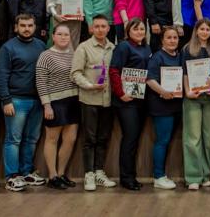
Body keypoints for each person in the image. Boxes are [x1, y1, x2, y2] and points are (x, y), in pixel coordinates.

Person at [0, 13, 47, 192]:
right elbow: (1, 77)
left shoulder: (41, 46)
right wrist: (6, 100)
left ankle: (27, 172)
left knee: (31, 139)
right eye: (23, 25)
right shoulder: (7, 48)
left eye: (30, 25)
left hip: (37, 101)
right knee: (13, 140)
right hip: (16, 101)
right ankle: (12, 176)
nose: (27, 28)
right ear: (16, 27)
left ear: (35, 27)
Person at [71, 14, 116, 191]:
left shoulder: (113, 48)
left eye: (103, 26)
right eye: (96, 26)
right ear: (91, 28)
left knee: (103, 138)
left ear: (108, 28)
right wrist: (90, 86)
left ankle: (99, 172)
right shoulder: (83, 48)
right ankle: (88, 174)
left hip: (108, 101)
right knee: (89, 139)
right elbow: (75, 73)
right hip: (89, 100)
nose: (100, 29)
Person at [108, 18, 151, 190]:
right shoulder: (123, 47)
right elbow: (114, 70)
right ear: (128, 31)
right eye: (136, 29)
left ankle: (132, 176)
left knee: (135, 139)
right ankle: (126, 178)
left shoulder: (146, 48)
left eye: (142, 29)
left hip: (142, 100)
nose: (140, 32)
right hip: (126, 101)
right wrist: (121, 93)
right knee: (130, 138)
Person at [35, 24, 79, 190]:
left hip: (73, 100)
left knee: (70, 139)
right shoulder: (45, 56)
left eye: (66, 35)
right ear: (53, 37)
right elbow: (41, 82)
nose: (63, 37)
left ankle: (61, 174)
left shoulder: (74, 54)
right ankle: (52, 175)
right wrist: (47, 105)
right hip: (54, 102)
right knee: (52, 139)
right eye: (59, 34)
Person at [181, 19, 210, 190]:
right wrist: (187, 91)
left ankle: (205, 175)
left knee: (208, 138)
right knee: (193, 138)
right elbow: (185, 73)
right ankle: (193, 177)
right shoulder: (188, 49)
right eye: (201, 29)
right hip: (193, 98)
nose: (204, 32)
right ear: (196, 31)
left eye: (207, 29)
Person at [146, 26, 183, 189]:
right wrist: (163, 92)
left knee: (167, 140)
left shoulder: (180, 56)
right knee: (162, 141)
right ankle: (158, 176)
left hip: (176, 105)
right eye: (169, 38)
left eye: (175, 38)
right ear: (162, 40)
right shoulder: (157, 57)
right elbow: (149, 80)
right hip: (162, 106)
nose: (172, 40)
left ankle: (162, 175)